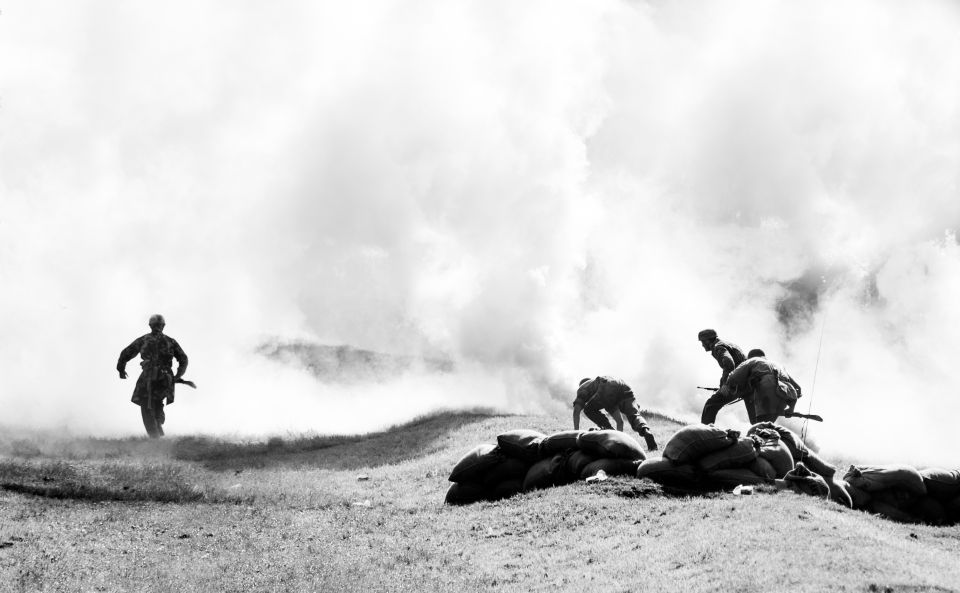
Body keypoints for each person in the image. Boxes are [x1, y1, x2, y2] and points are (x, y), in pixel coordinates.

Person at [117, 314, 189, 438]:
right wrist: (177, 375)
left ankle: (155, 439)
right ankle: (158, 429)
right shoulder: (170, 341)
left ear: (150, 325)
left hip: (148, 377)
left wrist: (121, 369)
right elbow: (184, 359)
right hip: (165, 379)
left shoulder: (144, 340)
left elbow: (125, 353)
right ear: (163, 326)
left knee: (146, 406)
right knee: (157, 402)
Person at [573, 376, 658, 451]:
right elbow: (620, 422)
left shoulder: (583, 388)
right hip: (623, 386)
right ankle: (645, 430)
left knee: (588, 409)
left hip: (606, 387)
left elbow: (576, 412)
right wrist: (619, 440)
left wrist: (575, 435)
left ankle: (608, 431)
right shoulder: (607, 400)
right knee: (634, 415)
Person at [718, 348, 802, 423]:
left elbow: (733, 376)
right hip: (785, 396)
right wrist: (791, 407)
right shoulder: (779, 365)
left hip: (767, 394)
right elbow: (798, 388)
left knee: (761, 426)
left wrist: (725, 386)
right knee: (768, 423)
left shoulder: (753, 360)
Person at [697, 328, 751, 424]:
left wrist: (726, 384)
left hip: (739, 383)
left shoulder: (718, 347)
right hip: (749, 383)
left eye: (702, 342)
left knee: (711, 405)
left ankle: (706, 433)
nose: (702, 345)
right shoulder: (728, 344)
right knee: (757, 420)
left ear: (708, 340)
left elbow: (729, 364)